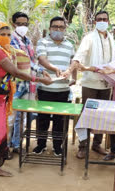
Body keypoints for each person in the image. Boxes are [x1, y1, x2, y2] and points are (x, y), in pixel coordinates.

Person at [0, 22, 51, 184]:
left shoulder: (7, 52)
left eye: (9, 35)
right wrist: (40, 79)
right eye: (2, 34)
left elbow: (25, 62)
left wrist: (38, 71)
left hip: (0, 101)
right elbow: (15, 72)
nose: (6, 37)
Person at [62, 11, 115, 159]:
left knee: (101, 115)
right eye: (99, 19)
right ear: (95, 22)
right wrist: (69, 70)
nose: (102, 21)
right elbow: (79, 56)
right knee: (87, 114)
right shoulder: (89, 38)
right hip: (90, 83)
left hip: (107, 84)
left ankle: (96, 144)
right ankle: (83, 145)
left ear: (109, 21)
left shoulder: (111, 38)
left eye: (105, 19)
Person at [32, 16, 75, 156]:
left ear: (65, 29)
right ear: (50, 28)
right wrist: (55, 68)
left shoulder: (70, 44)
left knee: (60, 120)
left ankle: (57, 146)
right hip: (45, 88)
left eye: (61, 27)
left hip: (63, 89)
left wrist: (74, 78)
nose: (58, 29)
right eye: (55, 27)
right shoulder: (43, 42)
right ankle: (41, 145)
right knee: (42, 118)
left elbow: (73, 63)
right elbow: (42, 59)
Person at [10, 12, 45, 154]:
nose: (22, 26)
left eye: (25, 24)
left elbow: (33, 60)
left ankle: (17, 142)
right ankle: (8, 146)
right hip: (17, 84)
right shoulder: (11, 39)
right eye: (19, 24)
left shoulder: (28, 41)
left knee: (27, 116)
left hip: (29, 84)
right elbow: (21, 61)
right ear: (13, 24)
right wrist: (41, 71)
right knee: (13, 117)